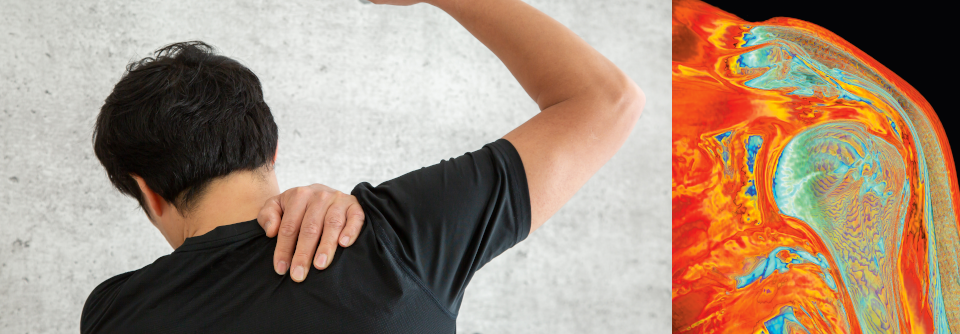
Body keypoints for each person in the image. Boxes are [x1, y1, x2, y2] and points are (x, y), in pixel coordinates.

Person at [81, 0, 644, 332]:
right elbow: (607, 101)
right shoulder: (394, 239)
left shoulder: (114, 314)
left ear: (147, 191)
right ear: (270, 151)